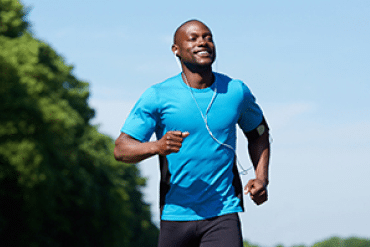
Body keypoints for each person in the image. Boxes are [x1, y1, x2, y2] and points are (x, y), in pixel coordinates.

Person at [114, 19, 270, 247]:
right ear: (175, 50)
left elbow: (259, 134)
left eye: (208, 37)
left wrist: (261, 178)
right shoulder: (158, 95)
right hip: (175, 214)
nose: (203, 42)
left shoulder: (236, 91)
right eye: (194, 38)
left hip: (223, 212)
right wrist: (157, 146)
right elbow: (121, 149)